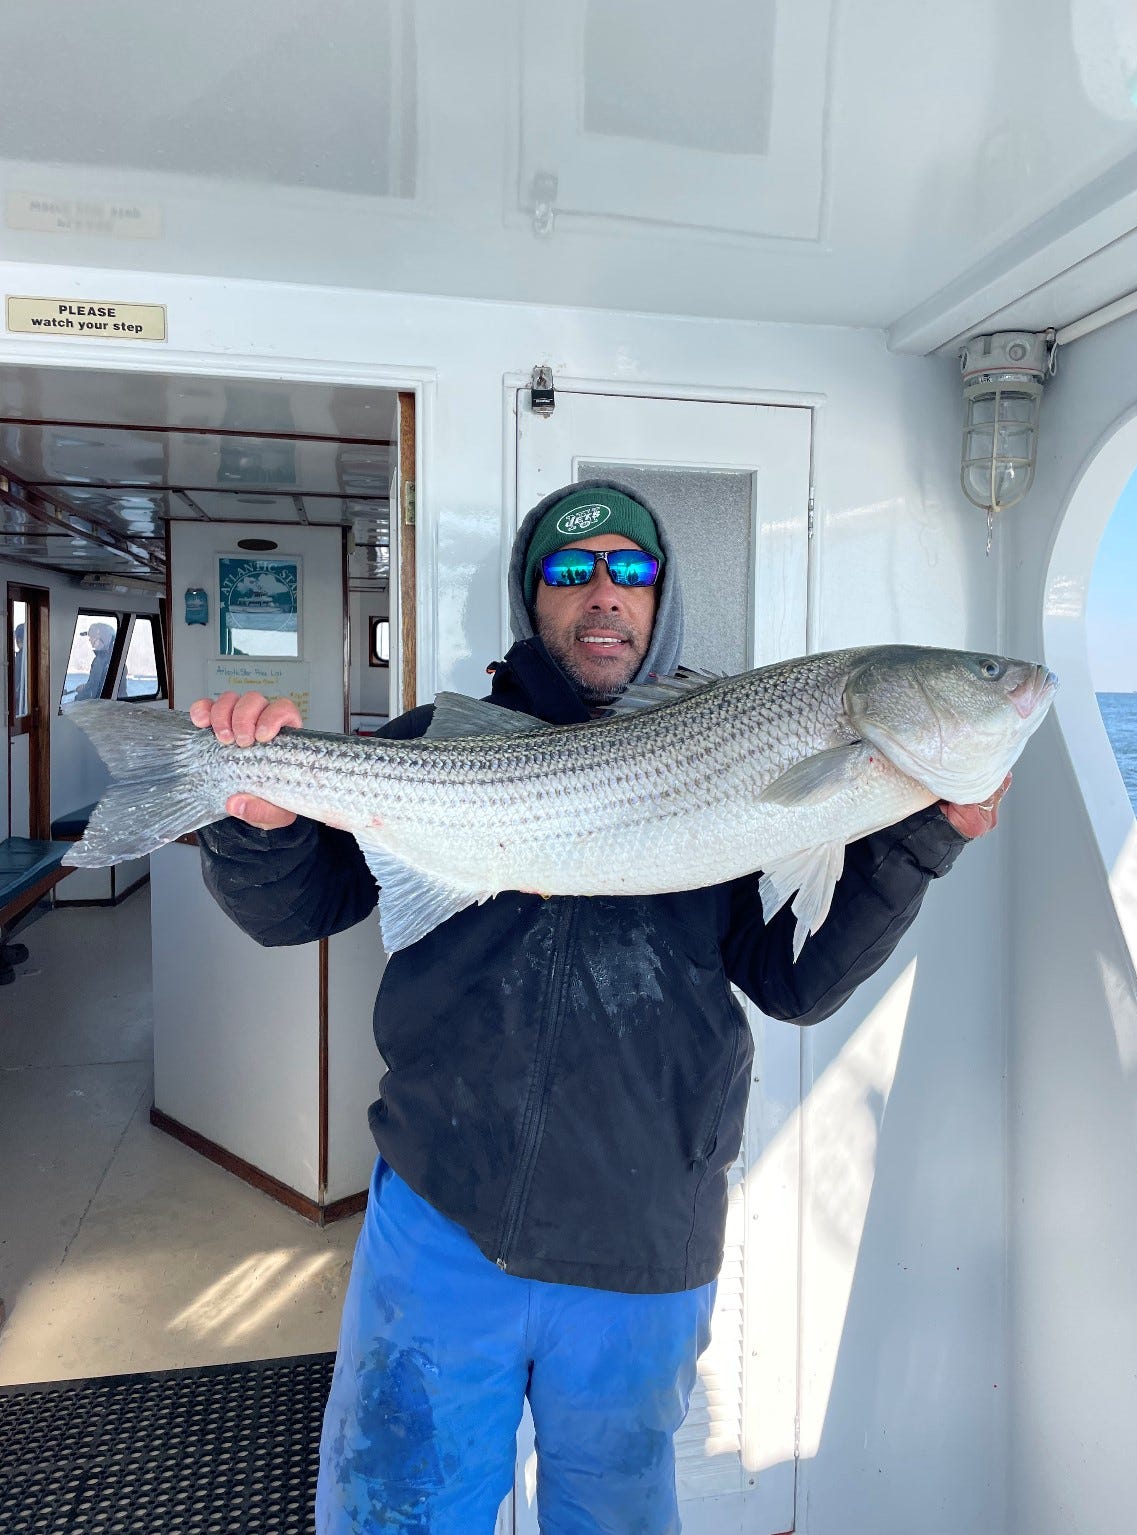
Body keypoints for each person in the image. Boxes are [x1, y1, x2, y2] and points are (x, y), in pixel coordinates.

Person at [192, 481, 1008, 1535]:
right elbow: (296, 907)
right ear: (533, 596)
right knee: (394, 1514)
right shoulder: (440, 736)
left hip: (643, 1238)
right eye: (571, 569)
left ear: (660, 598)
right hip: (442, 1214)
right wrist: (256, 823)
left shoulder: (734, 737)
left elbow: (795, 980)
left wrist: (918, 837)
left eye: (632, 569)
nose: (604, 593)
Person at [73, 621, 116, 700]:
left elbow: (93, 692)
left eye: (93, 637)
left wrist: (77, 699)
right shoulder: (110, 657)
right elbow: (96, 684)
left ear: (103, 639)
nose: (90, 640)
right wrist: (85, 687)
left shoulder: (102, 661)